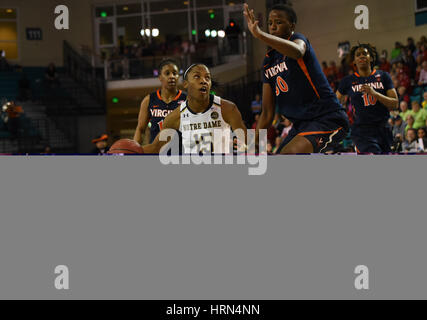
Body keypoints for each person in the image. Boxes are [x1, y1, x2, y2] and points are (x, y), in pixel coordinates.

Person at [244, 3, 349, 154]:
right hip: (301, 126)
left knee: (288, 156)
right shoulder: (268, 62)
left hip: (327, 119)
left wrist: (260, 35)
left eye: (278, 22)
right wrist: (253, 143)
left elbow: (298, 51)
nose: (273, 27)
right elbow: (267, 113)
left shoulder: (298, 40)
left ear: (292, 26)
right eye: (270, 23)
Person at [143, 64, 247, 154]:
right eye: (197, 76)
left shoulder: (227, 108)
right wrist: (131, 149)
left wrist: (240, 146)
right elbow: (155, 147)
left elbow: (247, 143)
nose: (203, 81)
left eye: (207, 78)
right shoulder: (174, 117)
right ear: (185, 84)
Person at [337, 43, 399, 153]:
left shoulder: (384, 76)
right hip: (362, 131)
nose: (361, 56)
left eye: (365, 54)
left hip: (384, 128)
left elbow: (395, 104)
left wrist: (374, 93)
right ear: (354, 61)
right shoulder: (347, 81)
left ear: (371, 58)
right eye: (358, 55)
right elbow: (334, 102)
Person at [134, 59, 187, 146]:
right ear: (160, 77)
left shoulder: (187, 99)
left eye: (175, 73)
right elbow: (140, 129)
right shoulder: (149, 100)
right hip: (156, 152)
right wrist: (134, 150)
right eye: (167, 73)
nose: (172, 76)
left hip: (180, 151)